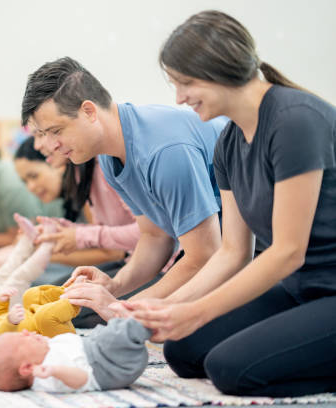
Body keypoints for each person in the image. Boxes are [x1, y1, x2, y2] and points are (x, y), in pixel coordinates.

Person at [110, 10, 336, 398]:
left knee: (230, 369)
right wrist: (167, 309)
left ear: (219, 70)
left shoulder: (294, 120)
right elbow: (233, 252)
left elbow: (287, 252)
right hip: (301, 289)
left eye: (185, 83)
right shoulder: (227, 144)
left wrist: (198, 310)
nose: (179, 98)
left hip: (324, 285)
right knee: (184, 352)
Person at [21, 56, 227, 319]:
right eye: (43, 134)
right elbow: (155, 237)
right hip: (216, 248)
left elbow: (205, 256)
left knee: (185, 348)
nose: (51, 146)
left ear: (89, 111)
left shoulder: (164, 151)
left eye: (56, 131)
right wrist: (114, 285)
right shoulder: (109, 157)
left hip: (256, 246)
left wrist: (122, 310)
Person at [14, 136, 131, 266]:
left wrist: (42, 251)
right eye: (25, 181)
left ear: (55, 164)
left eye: (34, 176)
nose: (31, 187)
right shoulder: (74, 189)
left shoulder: (89, 181)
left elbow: (113, 253)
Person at [0, 318, 150, 392]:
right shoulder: (46, 377)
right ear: (27, 367)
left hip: (99, 349)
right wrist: (55, 371)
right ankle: (152, 322)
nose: (26, 332)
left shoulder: (42, 351)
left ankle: (138, 320)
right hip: (109, 366)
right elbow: (82, 379)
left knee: (113, 328)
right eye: (22, 338)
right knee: (116, 334)